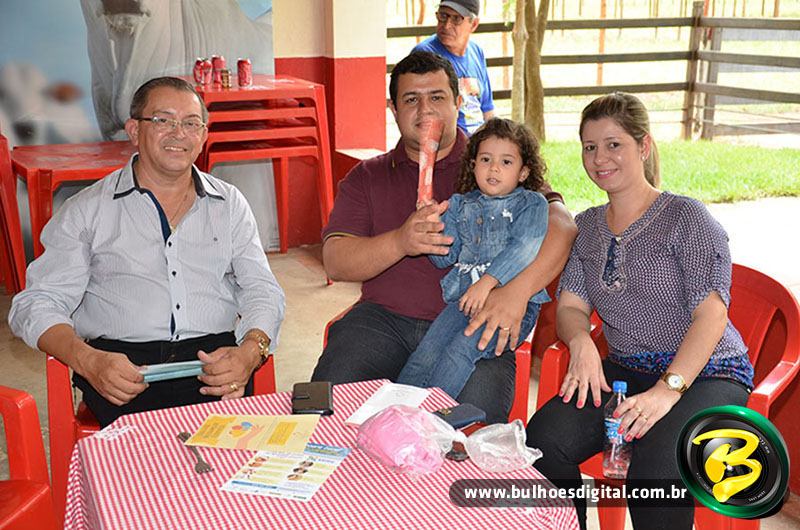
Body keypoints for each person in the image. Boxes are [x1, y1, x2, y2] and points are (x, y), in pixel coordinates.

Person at [525, 92, 754, 530]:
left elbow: (711, 315)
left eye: (614, 144)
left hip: (706, 373)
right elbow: (571, 305)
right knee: (543, 441)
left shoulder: (686, 217)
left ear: (643, 146)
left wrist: (668, 390)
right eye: (590, 147)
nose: (599, 158)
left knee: (656, 468)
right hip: (627, 370)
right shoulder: (587, 226)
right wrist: (580, 342)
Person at [312, 51, 577, 423]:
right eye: (411, 100)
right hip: (384, 320)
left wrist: (515, 292)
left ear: (457, 102)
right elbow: (335, 261)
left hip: (478, 317)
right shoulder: (367, 177)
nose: (425, 111)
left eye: (436, 97)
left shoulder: (492, 160)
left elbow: (562, 226)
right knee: (327, 404)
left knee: (471, 420)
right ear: (393, 109)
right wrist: (400, 242)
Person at [8, 76, 285, 427]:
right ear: (134, 131)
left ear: (203, 135)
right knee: (144, 454)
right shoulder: (88, 209)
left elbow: (262, 289)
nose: (178, 133)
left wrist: (250, 351)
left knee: (234, 451)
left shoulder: (229, 204)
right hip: (122, 368)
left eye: (191, 123)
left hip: (212, 361)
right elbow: (36, 303)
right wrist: (88, 360)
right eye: (163, 120)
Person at [397, 118, 550, 398]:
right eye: (486, 159)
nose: (494, 168)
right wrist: (434, 227)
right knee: (426, 353)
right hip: (465, 298)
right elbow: (445, 259)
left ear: (523, 172)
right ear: (473, 165)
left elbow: (524, 247)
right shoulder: (460, 205)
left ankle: (433, 417)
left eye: (506, 162)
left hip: (512, 305)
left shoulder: (531, 204)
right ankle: (397, 410)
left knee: (460, 351)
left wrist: (487, 282)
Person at [413, 0, 493, 135]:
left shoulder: (476, 52)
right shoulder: (425, 55)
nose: (446, 25)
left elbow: (487, 109)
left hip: (479, 139)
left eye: (456, 19)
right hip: (447, 141)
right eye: (443, 16)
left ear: (473, 24)